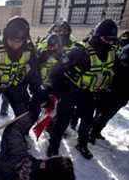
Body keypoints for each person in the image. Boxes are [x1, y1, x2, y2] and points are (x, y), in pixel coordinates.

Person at [48, 19, 119, 159]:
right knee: (63, 120)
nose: (109, 43)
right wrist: (56, 90)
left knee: (87, 120)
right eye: (106, 39)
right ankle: (53, 145)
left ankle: (82, 144)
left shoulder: (112, 53)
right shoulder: (79, 51)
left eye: (112, 40)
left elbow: (114, 72)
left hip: (89, 93)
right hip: (71, 90)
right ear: (98, 36)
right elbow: (56, 71)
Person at [89, 42, 129, 143]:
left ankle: (96, 131)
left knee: (108, 115)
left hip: (125, 93)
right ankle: (91, 133)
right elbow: (119, 67)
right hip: (115, 89)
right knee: (103, 113)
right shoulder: (128, 49)